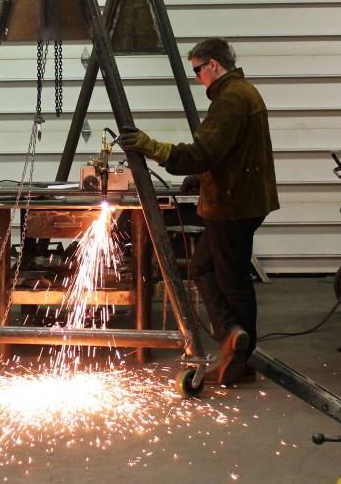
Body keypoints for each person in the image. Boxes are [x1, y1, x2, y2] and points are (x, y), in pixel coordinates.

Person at [119, 38, 279, 385]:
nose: (196, 77)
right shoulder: (239, 93)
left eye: (197, 70)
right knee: (206, 268)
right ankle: (233, 337)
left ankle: (240, 354)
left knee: (230, 277)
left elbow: (203, 150)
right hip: (240, 199)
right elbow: (228, 152)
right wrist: (202, 176)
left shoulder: (232, 99)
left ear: (213, 65)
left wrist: (150, 147)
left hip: (233, 205)